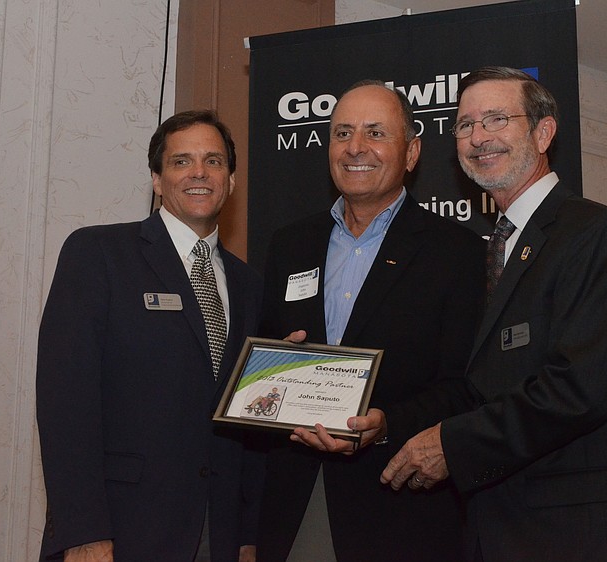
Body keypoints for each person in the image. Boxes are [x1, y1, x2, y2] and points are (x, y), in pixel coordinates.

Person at [380, 66, 607, 561]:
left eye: (496, 119)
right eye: (465, 124)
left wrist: (452, 445)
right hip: (495, 530)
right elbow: (474, 385)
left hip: (581, 535)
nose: (478, 137)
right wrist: (384, 420)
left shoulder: (592, 233)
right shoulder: (488, 253)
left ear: (543, 132)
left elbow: (578, 390)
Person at [256, 80, 485, 561]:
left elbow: (465, 387)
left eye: (375, 132)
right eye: (342, 133)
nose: (355, 147)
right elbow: (260, 367)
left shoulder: (457, 254)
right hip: (294, 505)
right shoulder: (288, 245)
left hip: (399, 510)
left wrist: (386, 425)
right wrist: (276, 368)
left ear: (411, 152)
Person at [36, 110, 264, 561]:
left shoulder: (249, 285)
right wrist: (83, 532)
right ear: (157, 180)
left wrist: (245, 535)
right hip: (119, 531)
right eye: (182, 161)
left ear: (231, 180)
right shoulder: (98, 254)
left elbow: (247, 427)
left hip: (214, 536)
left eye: (214, 161)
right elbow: (66, 405)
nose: (199, 172)